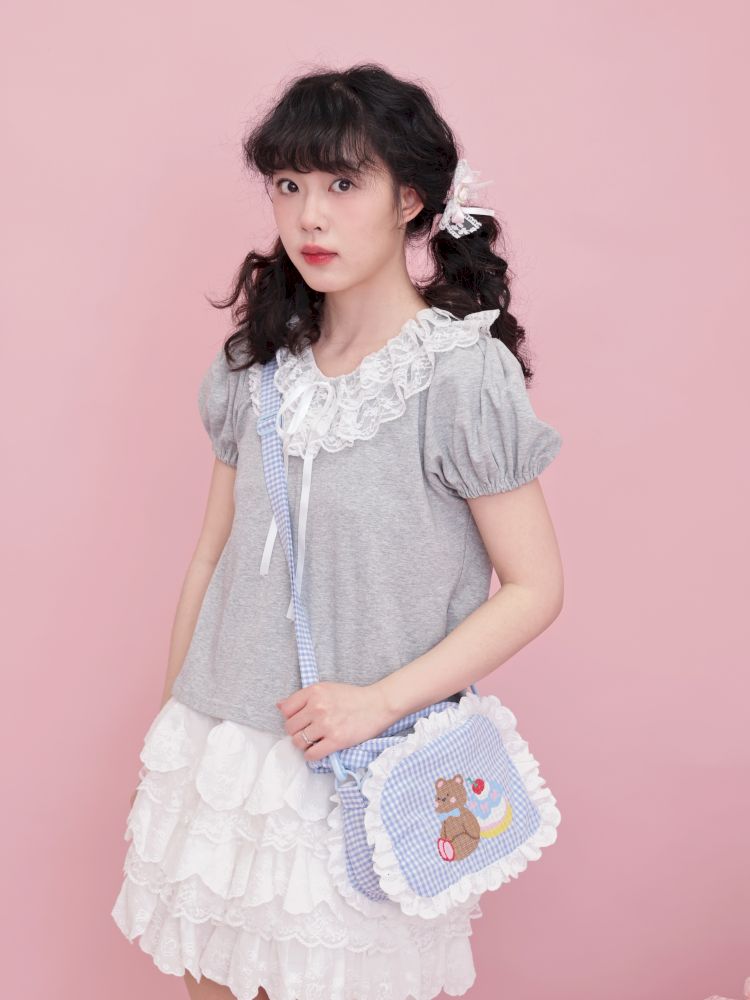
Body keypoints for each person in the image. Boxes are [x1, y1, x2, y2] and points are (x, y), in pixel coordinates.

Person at [110, 62, 565, 1000]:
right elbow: (211, 556)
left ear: (411, 200)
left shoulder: (458, 376)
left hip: (368, 759)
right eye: (289, 185)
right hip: (224, 756)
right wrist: (175, 734)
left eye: (343, 184)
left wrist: (378, 702)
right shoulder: (255, 368)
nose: (309, 216)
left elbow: (535, 588)